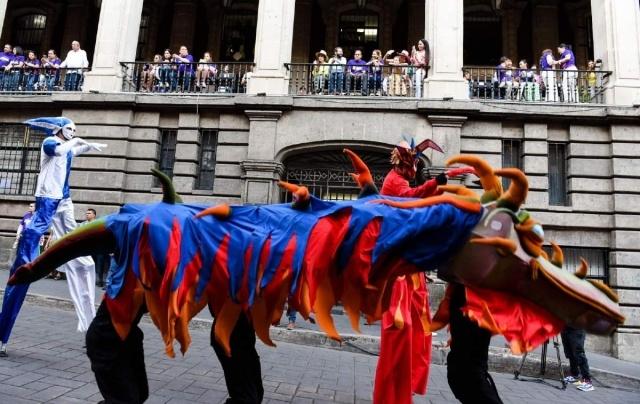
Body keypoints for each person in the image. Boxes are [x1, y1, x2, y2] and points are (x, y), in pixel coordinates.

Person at [0, 117, 107, 357]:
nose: (73, 132)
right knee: (22, 272)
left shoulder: (68, 148)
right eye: (70, 129)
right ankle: (2, 336)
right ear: (60, 129)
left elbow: (72, 151)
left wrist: (88, 146)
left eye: (75, 130)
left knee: (84, 262)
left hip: (63, 202)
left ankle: (90, 329)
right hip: (47, 202)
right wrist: (77, 140)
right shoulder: (50, 142)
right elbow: (58, 149)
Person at [373, 139, 447, 404]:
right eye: (413, 161)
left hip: (409, 268)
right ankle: (391, 397)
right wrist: (435, 183)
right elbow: (408, 197)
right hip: (398, 270)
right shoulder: (395, 180)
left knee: (419, 333)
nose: (415, 167)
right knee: (399, 336)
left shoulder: (401, 179)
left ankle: (403, 392)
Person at [561, 326, 594, 391]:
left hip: (577, 328)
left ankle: (587, 381)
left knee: (579, 354)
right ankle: (574, 375)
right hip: (565, 327)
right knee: (570, 353)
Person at [83, 208, 110, 288]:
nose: (87, 215)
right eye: (86, 213)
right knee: (88, 264)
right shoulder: (83, 224)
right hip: (88, 249)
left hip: (99, 248)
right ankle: (88, 280)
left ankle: (100, 280)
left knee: (100, 264)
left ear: (94, 215)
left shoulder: (99, 223)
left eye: (89, 213)